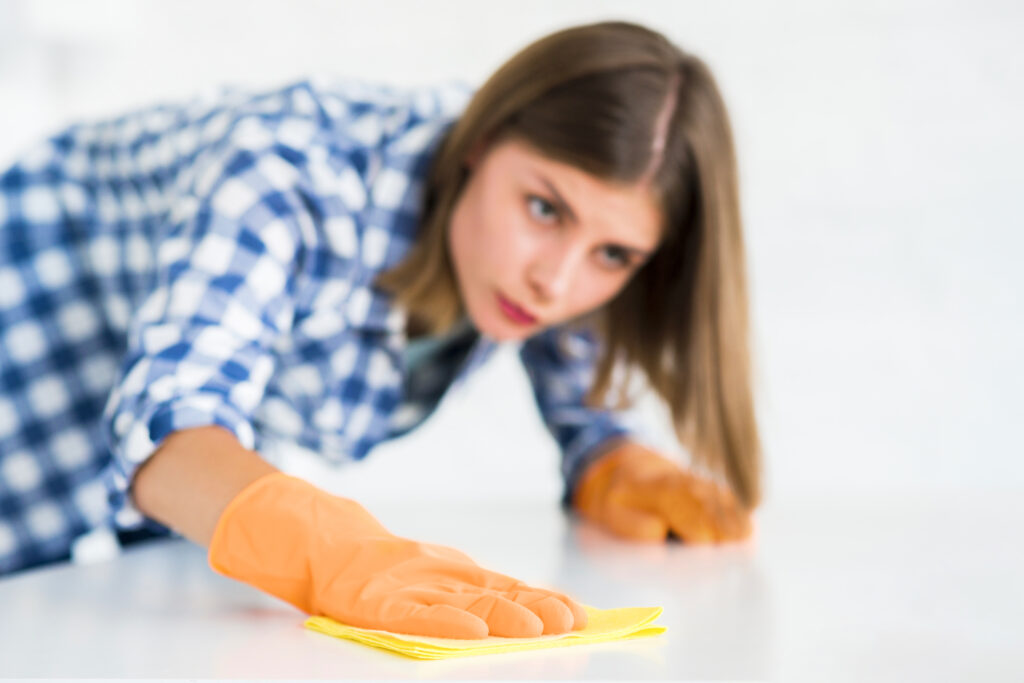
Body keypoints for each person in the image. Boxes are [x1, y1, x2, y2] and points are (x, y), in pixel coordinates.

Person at [0, 20, 761, 638]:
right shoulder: (290, 168)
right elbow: (168, 429)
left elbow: (585, 409)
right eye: (544, 209)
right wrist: (333, 550)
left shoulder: (535, 258)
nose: (556, 282)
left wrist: (615, 461)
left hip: (96, 502)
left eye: (613, 254)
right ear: (479, 143)